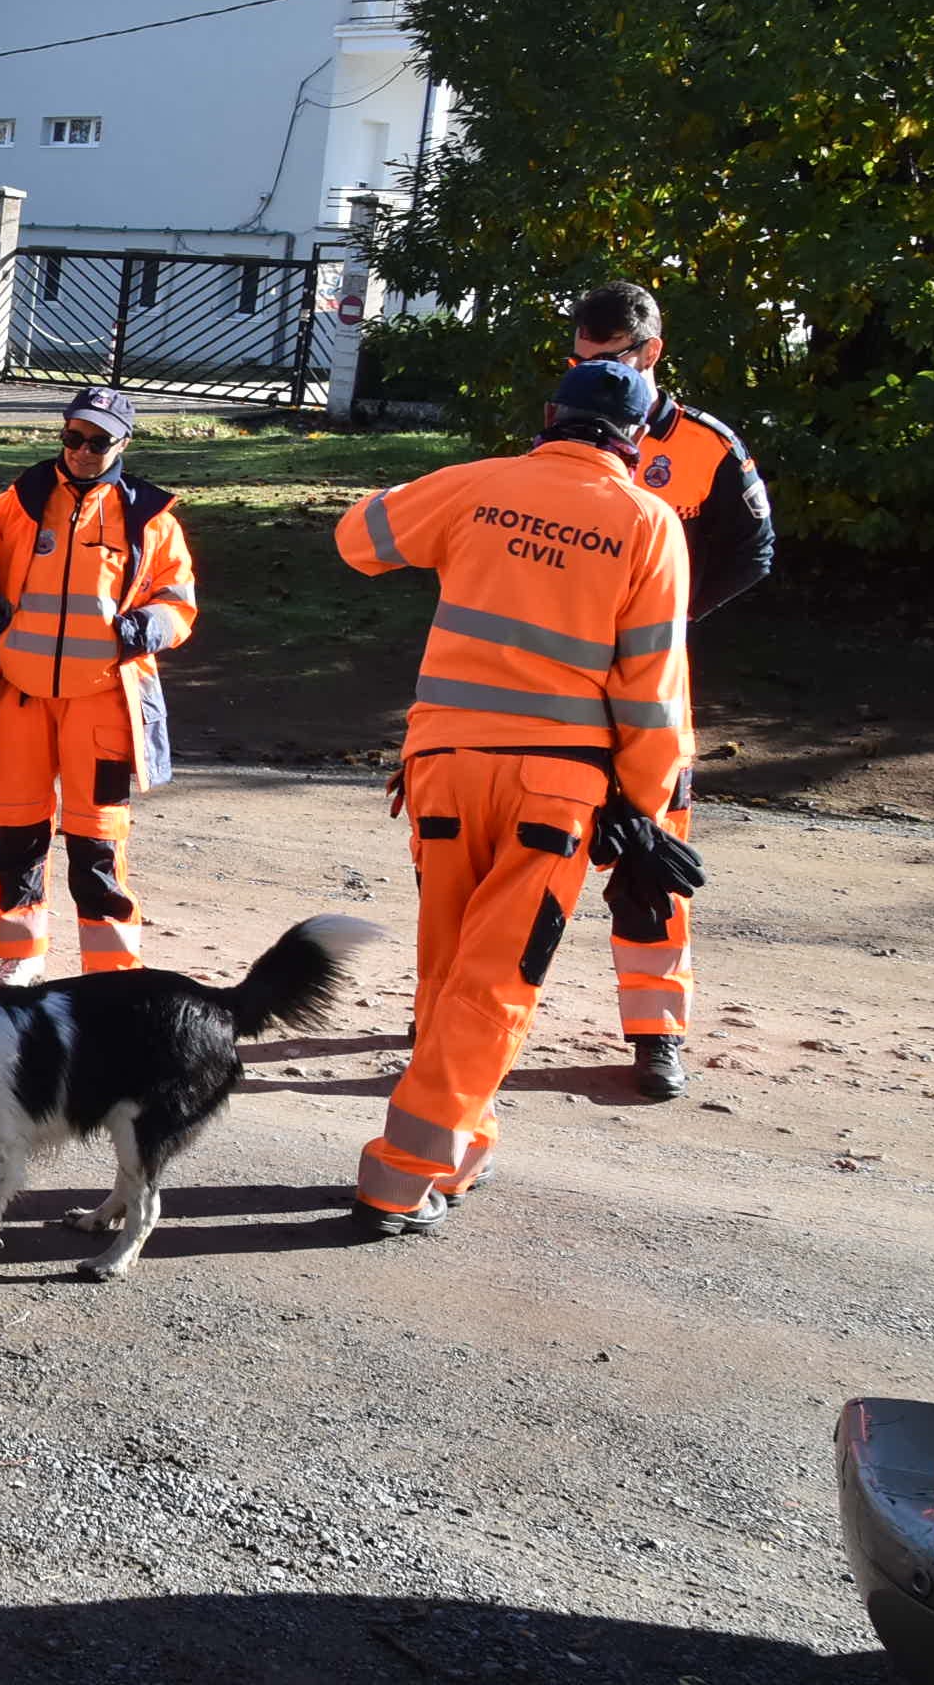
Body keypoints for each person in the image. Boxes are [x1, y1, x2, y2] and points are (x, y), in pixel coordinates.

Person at [336, 358, 693, 1237]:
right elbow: (652, 697)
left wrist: (473, 504)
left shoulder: (478, 486)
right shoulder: (649, 524)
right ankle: (402, 1176)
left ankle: (457, 1146)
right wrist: (644, 808)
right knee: (497, 984)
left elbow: (358, 538)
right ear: (639, 439)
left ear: (550, 416)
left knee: (450, 968)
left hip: (444, 769)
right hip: (555, 791)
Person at [564, 283, 776, 1099]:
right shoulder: (566, 430)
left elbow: (753, 551)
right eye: (579, 362)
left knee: (652, 859)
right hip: (565, 681)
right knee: (515, 855)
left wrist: (667, 618)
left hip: (654, 686)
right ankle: (463, 1009)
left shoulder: (707, 445)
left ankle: (657, 1033)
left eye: (607, 360)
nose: (591, 374)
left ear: (649, 353)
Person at [0, 385, 197, 986]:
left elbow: (179, 603)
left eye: (97, 441)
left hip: (103, 701)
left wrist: (144, 628)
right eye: (73, 437)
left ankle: (111, 969)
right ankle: (20, 953)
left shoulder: (150, 517)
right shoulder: (17, 504)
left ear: (123, 442)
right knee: (16, 830)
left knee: (97, 839)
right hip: (19, 694)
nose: (82, 451)